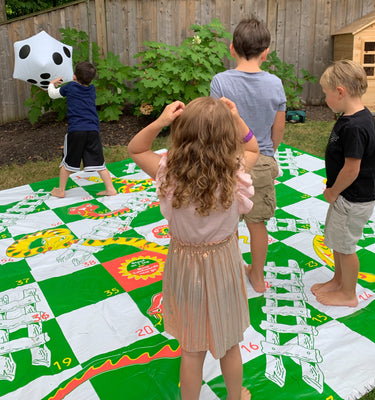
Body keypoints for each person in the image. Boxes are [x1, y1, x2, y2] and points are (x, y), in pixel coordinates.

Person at [128, 96, 259, 400]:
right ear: (227, 135)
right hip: (224, 262)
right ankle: (234, 395)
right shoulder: (234, 170)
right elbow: (253, 147)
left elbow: (136, 148)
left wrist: (161, 120)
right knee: (228, 345)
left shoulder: (167, 170)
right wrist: (237, 118)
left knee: (191, 348)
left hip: (184, 264)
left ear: (180, 131)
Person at [210, 18, 286, 293]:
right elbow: (279, 126)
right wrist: (269, 151)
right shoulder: (276, 84)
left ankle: (225, 276)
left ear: (232, 48)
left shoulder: (219, 81)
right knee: (257, 225)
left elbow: (217, 125)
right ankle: (257, 277)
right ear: (265, 52)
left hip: (228, 163)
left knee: (225, 225)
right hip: (262, 160)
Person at [311, 60, 375, 307]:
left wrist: (333, 191)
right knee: (337, 241)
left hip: (352, 197)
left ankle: (349, 294)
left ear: (340, 91)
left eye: (326, 93)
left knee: (346, 246)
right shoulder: (353, 117)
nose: (325, 98)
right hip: (346, 196)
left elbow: (352, 168)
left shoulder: (356, 126)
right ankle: (338, 281)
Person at [47, 61, 117, 198]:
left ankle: (60, 191)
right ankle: (110, 189)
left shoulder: (71, 87)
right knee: (100, 163)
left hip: (76, 131)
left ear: (74, 76)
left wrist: (51, 84)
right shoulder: (92, 90)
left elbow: (53, 94)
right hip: (93, 131)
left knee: (67, 162)